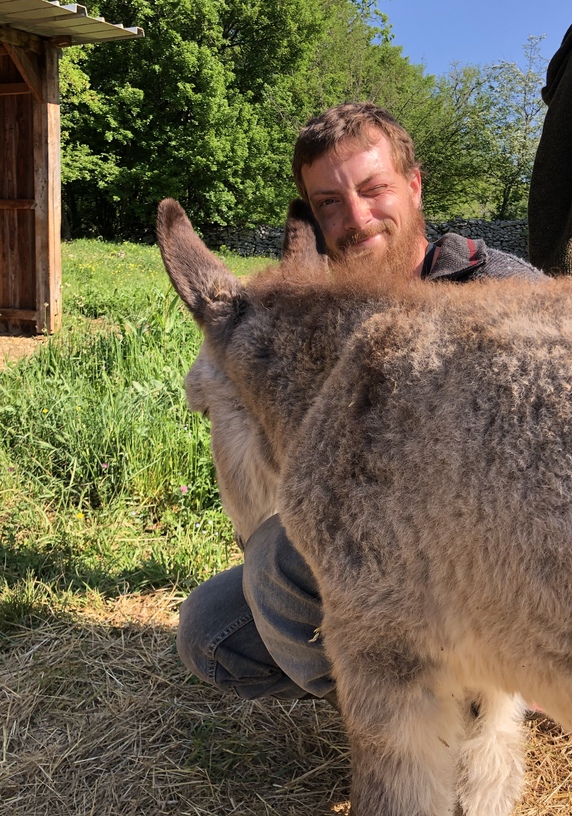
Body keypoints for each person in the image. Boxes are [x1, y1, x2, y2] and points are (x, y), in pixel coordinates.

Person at [176, 102, 545, 703]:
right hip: (373, 552)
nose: (356, 217)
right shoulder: (322, 316)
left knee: (274, 555)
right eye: (328, 203)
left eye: (374, 190)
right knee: (213, 632)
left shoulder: (500, 291)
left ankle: (482, 699)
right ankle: (394, 698)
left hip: (503, 564)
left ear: (414, 184)